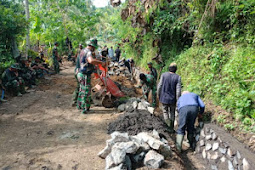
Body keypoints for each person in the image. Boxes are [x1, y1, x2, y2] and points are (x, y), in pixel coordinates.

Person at [77, 39, 106, 114]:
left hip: (80, 73)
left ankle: (79, 105)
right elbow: (91, 61)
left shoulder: (82, 51)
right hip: (85, 75)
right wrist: (100, 63)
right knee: (86, 91)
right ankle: (84, 109)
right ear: (92, 46)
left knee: (81, 90)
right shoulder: (88, 52)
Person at [157, 63, 181, 133]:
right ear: (176, 69)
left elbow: (159, 86)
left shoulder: (164, 75)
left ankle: (167, 126)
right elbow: (178, 90)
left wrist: (159, 95)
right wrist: (178, 100)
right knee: (172, 113)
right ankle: (171, 128)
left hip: (164, 98)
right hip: (173, 99)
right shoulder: (178, 77)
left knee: (165, 111)